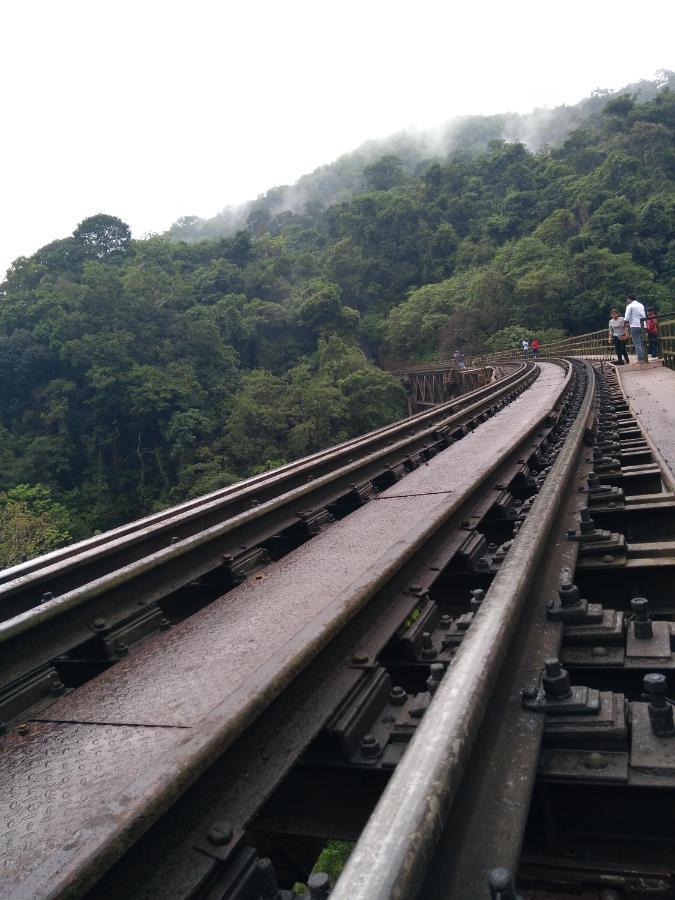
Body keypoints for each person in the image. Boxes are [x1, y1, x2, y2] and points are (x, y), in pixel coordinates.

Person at [624, 293, 646, 363]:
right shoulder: (641, 305)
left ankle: (640, 359)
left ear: (629, 299)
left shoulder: (630, 306)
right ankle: (645, 358)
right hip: (643, 325)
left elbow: (626, 317)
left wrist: (624, 324)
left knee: (637, 343)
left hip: (634, 325)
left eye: (627, 299)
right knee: (643, 342)